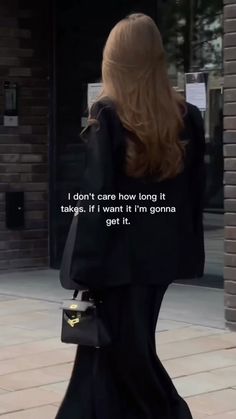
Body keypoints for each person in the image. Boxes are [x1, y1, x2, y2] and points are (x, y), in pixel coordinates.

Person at [55, 13, 206, 419]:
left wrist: (83, 268)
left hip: (115, 264)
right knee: (111, 351)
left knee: (127, 353)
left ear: (115, 61)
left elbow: (98, 201)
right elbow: (196, 196)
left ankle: (171, 412)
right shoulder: (187, 116)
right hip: (159, 263)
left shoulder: (107, 115)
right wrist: (187, 254)